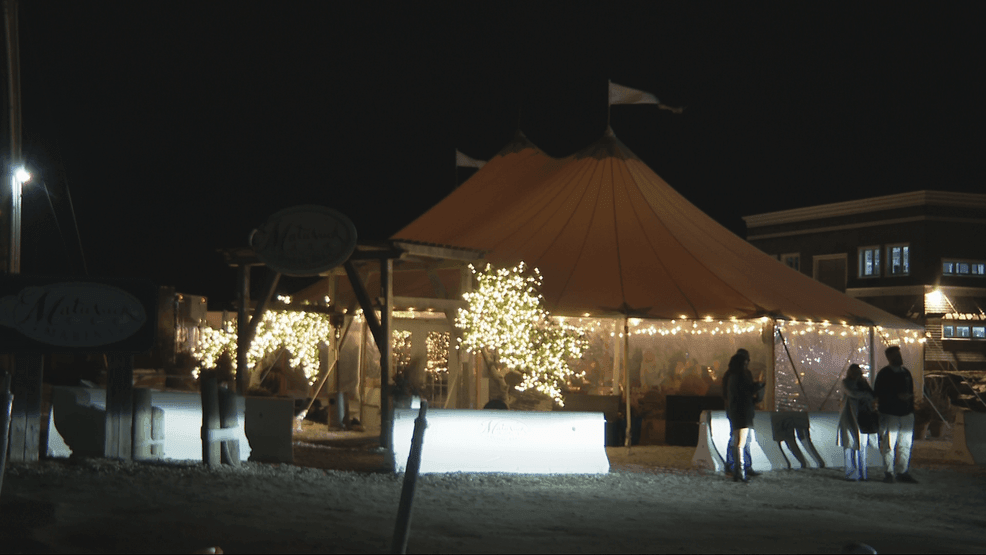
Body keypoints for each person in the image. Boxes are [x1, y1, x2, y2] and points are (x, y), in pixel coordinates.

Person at [874, 345, 918, 484]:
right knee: (889, 444)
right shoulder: (884, 374)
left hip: (906, 413)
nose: (900, 358)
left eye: (899, 355)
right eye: (896, 356)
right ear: (890, 358)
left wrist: (910, 404)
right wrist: (896, 397)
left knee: (906, 444)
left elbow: (910, 390)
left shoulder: (905, 373)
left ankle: (902, 471)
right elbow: (879, 393)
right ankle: (889, 472)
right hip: (890, 413)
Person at [723, 349, 765, 482]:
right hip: (742, 412)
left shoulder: (733, 375)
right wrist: (757, 387)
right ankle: (739, 470)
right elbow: (743, 392)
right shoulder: (738, 376)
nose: (748, 363)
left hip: (739, 411)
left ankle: (739, 469)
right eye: (746, 361)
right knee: (740, 441)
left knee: (739, 441)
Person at [836, 364, 880, 481]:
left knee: (861, 445)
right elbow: (853, 393)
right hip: (849, 417)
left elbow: (872, 395)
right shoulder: (846, 382)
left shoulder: (863, 383)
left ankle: (862, 473)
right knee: (850, 444)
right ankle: (851, 473)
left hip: (862, 417)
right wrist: (866, 395)